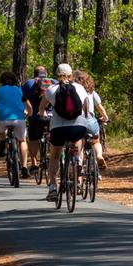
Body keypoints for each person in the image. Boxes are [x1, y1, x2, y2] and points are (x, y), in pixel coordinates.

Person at [38, 63, 90, 201]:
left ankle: (53, 188)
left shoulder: (50, 90)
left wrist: (43, 116)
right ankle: (78, 168)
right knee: (78, 143)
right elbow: (85, 107)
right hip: (78, 127)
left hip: (58, 128)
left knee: (55, 155)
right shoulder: (79, 88)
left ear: (56, 75)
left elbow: (42, 108)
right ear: (71, 75)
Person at [0, 71, 32, 177]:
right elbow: (29, 106)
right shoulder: (18, 90)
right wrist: (29, 114)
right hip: (19, 119)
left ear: (1, 81)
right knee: (22, 141)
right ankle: (25, 167)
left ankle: (3, 142)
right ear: (14, 80)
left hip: (3, 119)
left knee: (1, 131)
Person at [74, 69, 110, 171]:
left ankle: (79, 164)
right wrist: (105, 118)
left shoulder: (73, 91)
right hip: (90, 120)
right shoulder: (91, 92)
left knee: (79, 142)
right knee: (96, 141)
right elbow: (100, 107)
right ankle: (99, 155)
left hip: (77, 120)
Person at [20, 66, 54, 172]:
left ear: (34, 74)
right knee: (54, 139)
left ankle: (34, 164)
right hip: (51, 117)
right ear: (46, 73)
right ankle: (53, 158)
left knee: (34, 139)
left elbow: (22, 100)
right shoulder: (53, 82)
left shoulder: (28, 84)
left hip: (35, 117)